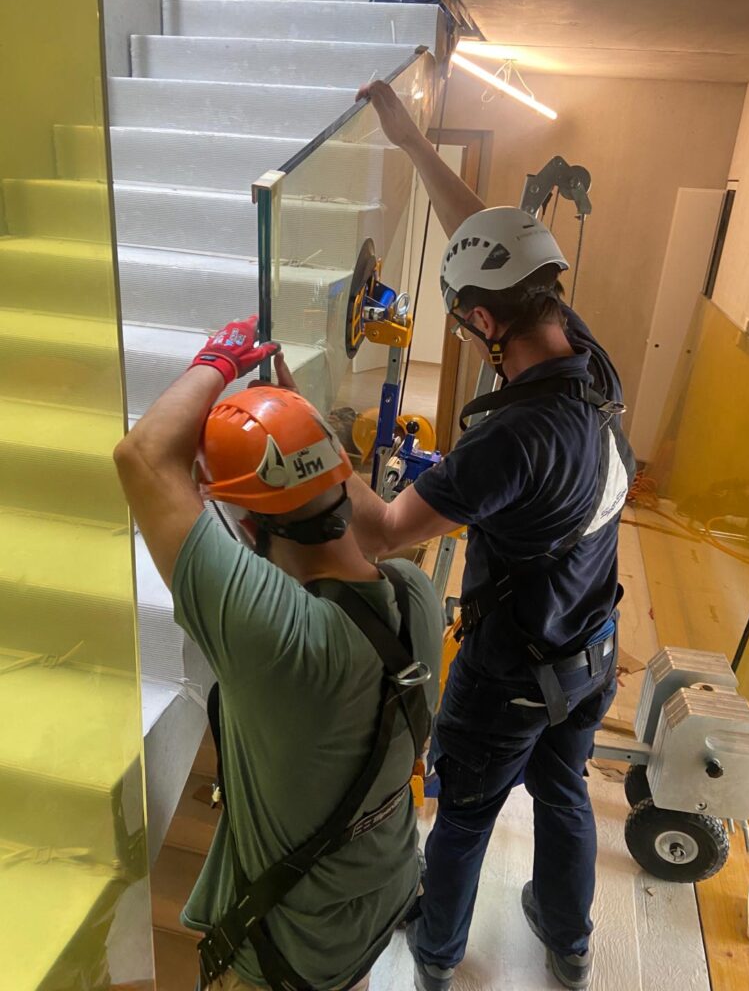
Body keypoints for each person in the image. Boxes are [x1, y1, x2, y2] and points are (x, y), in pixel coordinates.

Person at [338, 81, 637, 991]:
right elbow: (489, 235)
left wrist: (309, 439)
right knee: (563, 790)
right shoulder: (583, 357)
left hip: (509, 674)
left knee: (465, 814)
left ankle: (435, 956)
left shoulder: (508, 441)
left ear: (479, 321)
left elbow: (387, 532)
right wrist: (412, 140)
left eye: (465, 319)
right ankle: (569, 938)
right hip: (591, 646)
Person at [114, 315, 444, 991]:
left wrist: (220, 360)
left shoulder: (276, 637)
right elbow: (365, 528)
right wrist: (309, 438)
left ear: (243, 524)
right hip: (379, 895)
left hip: (286, 956)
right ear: (340, 478)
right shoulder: (414, 594)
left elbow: (142, 458)